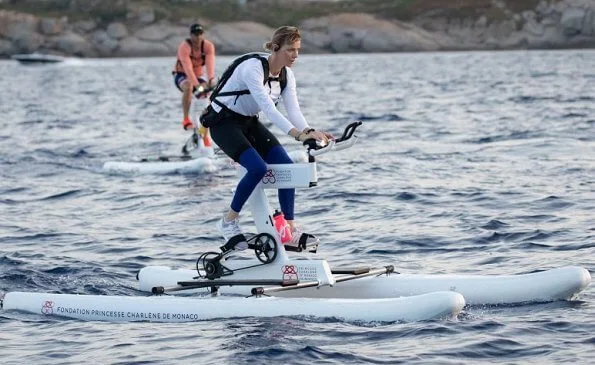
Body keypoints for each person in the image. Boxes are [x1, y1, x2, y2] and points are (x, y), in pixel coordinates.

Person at [203, 26, 333, 252]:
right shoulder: (253, 69)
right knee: (257, 169)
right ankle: (229, 222)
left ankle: (288, 229)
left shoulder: (286, 75)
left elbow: (294, 111)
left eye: (298, 50)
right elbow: (270, 111)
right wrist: (298, 135)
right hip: (223, 124)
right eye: (290, 50)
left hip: (248, 122)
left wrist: (310, 131)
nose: (295, 55)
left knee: (288, 168)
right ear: (275, 48)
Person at [172, 23, 216, 145]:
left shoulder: (208, 46)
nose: (197, 37)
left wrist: (211, 80)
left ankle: (204, 135)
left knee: (206, 101)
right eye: (195, 35)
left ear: (203, 35)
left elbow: (210, 65)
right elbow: (188, 69)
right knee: (189, 87)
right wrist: (197, 85)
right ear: (191, 35)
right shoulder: (184, 47)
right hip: (181, 75)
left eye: (200, 34)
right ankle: (186, 119)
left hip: (198, 76)